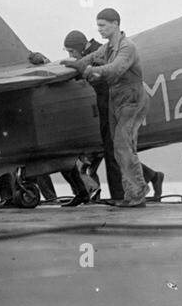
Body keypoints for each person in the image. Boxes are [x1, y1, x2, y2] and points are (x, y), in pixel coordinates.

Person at [63, 29, 162, 205]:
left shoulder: (102, 52)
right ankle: (150, 178)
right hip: (108, 107)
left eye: (71, 52)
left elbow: (106, 75)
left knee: (113, 152)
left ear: (78, 48)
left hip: (114, 106)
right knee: (115, 151)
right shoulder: (98, 51)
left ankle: (120, 196)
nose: (72, 55)